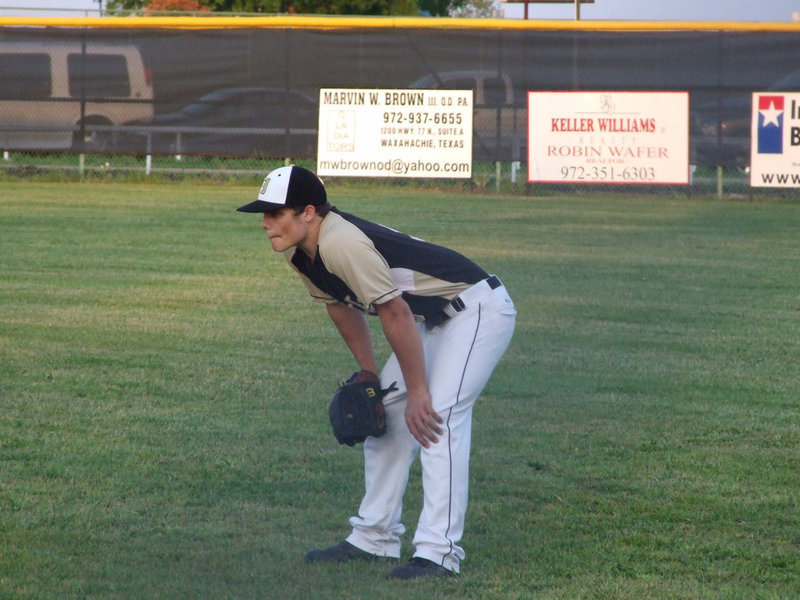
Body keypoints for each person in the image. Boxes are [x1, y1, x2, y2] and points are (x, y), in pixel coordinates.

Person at [237, 165, 516, 579]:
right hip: (432, 321)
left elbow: (395, 311)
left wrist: (418, 391)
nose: (265, 224)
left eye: (275, 213)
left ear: (308, 213)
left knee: (434, 416)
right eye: (264, 214)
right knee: (383, 417)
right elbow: (338, 305)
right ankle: (374, 537)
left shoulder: (340, 241)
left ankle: (439, 553)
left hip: (476, 309)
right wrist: (369, 373)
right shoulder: (301, 252)